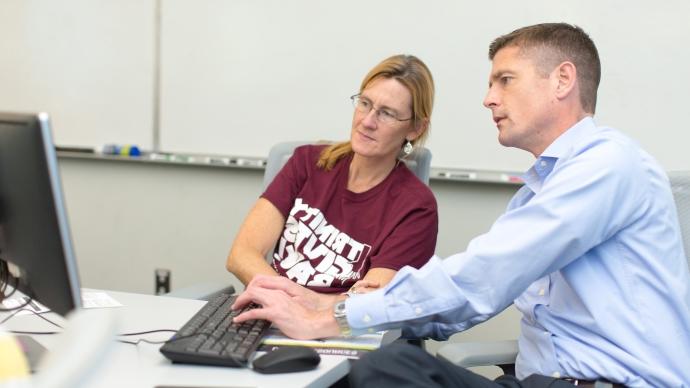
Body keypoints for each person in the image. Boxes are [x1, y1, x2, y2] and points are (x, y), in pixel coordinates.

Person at [232, 23, 690, 387]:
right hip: (537, 380)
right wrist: (321, 304)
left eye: (504, 80)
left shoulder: (608, 165)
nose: (488, 97)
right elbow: (465, 306)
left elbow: (482, 277)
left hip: (603, 383)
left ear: (562, 80)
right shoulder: (538, 192)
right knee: (392, 367)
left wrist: (333, 317)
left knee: (382, 371)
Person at [226, 54, 438, 297]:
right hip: (269, 309)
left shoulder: (416, 207)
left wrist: (299, 309)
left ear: (415, 128)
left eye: (387, 113)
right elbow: (241, 255)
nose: (367, 121)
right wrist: (287, 303)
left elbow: (367, 304)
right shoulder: (307, 162)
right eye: (365, 103)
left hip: (337, 331)